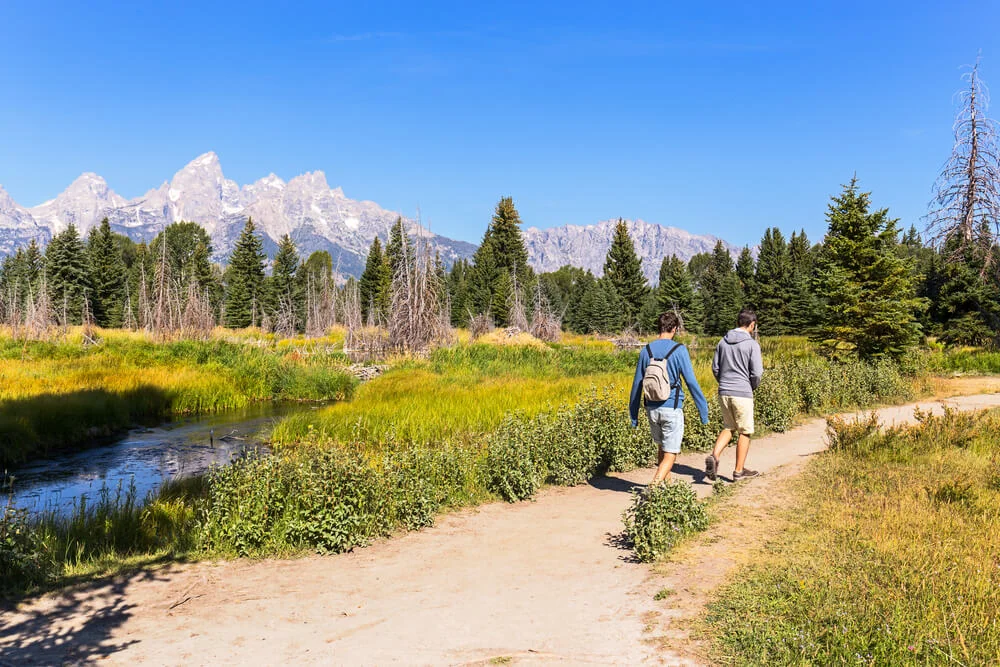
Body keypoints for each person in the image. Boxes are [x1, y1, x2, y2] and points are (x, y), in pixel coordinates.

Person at [629, 312, 709, 484]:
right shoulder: (679, 350)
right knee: (671, 453)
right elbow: (691, 382)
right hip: (672, 407)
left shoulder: (646, 350)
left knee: (662, 447)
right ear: (674, 328)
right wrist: (703, 410)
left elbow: (637, 385)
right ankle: (655, 486)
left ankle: (667, 488)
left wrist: (633, 415)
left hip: (651, 409)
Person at [705, 308, 763, 482]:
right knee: (745, 431)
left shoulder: (723, 342)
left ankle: (714, 456)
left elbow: (715, 368)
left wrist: (723, 382)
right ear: (752, 325)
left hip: (724, 391)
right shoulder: (752, 344)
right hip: (742, 391)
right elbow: (757, 372)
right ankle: (739, 471)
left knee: (729, 427)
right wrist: (751, 386)